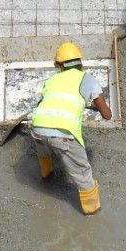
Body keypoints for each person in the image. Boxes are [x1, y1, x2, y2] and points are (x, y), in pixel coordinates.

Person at [30, 42, 112, 216]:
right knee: (83, 173)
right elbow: (107, 115)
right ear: (80, 62)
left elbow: (42, 103)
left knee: (44, 151)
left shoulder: (51, 80)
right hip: (63, 135)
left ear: (60, 66)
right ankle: (92, 211)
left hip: (37, 128)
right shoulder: (86, 79)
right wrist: (100, 107)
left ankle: (47, 175)